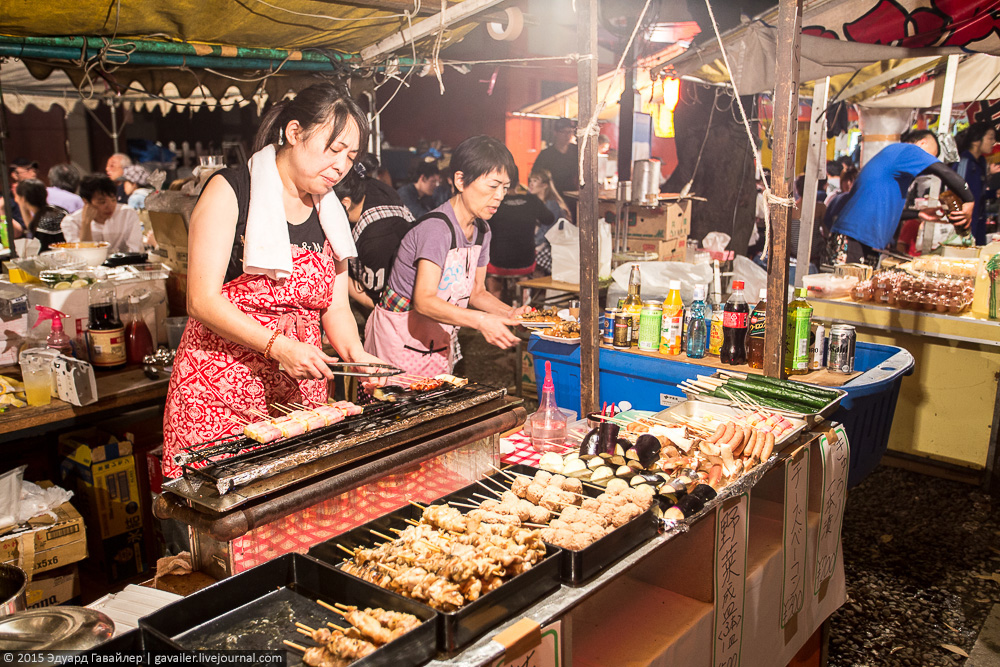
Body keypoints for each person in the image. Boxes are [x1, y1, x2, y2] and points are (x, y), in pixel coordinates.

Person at [161, 83, 389, 479]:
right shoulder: (232, 190)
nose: (341, 166)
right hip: (218, 398)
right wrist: (278, 347)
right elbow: (200, 300)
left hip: (300, 397)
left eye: (351, 156)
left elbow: (335, 307)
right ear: (294, 132)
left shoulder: (329, 212)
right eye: (333, 150)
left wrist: (356, 354)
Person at [364, 135, 530, 376]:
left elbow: (477, 292)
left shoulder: (482, 230)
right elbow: (424, 300)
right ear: (460, 180)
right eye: (493, 186)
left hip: (436, 344)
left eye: (505, 188)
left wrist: (509, 313)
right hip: (398, 345)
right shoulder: (437, 229)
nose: (500, 196)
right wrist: (481, 321)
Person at [827, 130, 974, 265]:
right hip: (853, 237)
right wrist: (969, 200)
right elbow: (944, 172)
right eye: (931, 156)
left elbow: (882, 207)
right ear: (923, 143)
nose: (927, 163)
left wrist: (918, 214)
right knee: (845, 288)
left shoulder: (895, 159)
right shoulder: (909, 149)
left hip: (862, 239)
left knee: (857, 290)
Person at [334, 156, 415, 311]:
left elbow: (378, 302)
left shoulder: (376, 240)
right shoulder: (372, 186)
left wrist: (334, 273)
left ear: (345, 202)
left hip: (397, 309)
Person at [484, 184, 554, 300]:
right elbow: (549, 219)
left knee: (491, 271)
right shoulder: (532, 200)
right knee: (532, 265)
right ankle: (525, 296)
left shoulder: (493, 201)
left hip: (497, 262)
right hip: (525, 262)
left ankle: (495, 300)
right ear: (517, 182)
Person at [61, 175, 143, 253]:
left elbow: (135, 249)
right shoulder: (71, 222)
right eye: (102, 202)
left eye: (113, 200)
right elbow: (81, 255)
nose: (110, 206)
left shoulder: (127, 214)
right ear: (86, 201)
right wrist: (86, 223)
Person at [955, 122, 998, 245]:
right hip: (965, 222)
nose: (993, 142)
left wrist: (994, 193)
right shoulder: (964, 162)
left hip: (979, 221)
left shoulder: (982, 162)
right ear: (976, 141)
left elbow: (978, 193)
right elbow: (958, 191)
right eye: (990, 138)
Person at [526, 167, 570, 275]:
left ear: (545, 185)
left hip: (549, 245)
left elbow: (547, 232)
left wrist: (532, 245)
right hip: (539, 243)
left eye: (535, 181)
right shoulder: (533, 202)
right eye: (530, 181)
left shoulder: (551, 205)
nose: (531, 184)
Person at [11, 179, 66, 252]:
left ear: (23, 198)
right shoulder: (58, 211)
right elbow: (31, 227)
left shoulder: (42, 223)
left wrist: (21, 203)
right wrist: (21, 203)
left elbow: (43, 251)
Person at [532, 118, 579, 198]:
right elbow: (535, 176)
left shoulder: (577, 151)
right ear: (555, 133)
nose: (567, 135)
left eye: (570, 132)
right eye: (563, 132)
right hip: (553, 198)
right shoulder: (546, 155)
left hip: (574, 197)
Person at [2, 158, 38, 226]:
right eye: (27, 169)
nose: (33, 171)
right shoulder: (7, 198)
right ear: (15, 175)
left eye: (33, 169)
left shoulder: (39, 193)